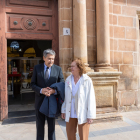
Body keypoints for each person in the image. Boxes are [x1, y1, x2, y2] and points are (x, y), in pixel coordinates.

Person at [31, 49, 64, 140]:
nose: (51, 61)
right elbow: (32, 84)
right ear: (44, 58)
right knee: (40, 128)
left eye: (53, 59)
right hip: (40, 103)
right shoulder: (37, 68)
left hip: (52, 103)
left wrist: (54, 91)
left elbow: (62, 84)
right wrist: (41, 90)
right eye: (49, 58)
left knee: (52, 128)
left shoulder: (58, 69)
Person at [61, 58, 96, 140]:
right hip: (70, 111)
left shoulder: (87, 80)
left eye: (73, 66)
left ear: (79, 68)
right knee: (70, 135)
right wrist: (63, 109)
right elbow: (66, 97)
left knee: (83, 137)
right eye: (71, 66)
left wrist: (90, 115)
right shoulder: (68, 79)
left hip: (83, 112)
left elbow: (91, 98)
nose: (71, 68)